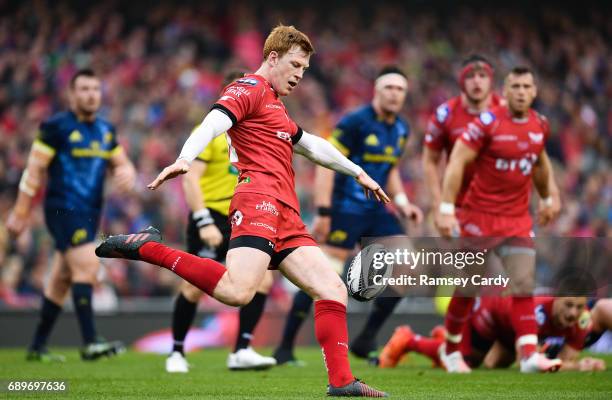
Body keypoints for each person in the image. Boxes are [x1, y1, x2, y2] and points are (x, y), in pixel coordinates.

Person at [96, 25, 389, 397]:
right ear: (272, 58)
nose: (300, 74)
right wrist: (185, 158)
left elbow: (312, 145)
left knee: (332, 288)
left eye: (305, 68)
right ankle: (146, 247)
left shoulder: (277, 107)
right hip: (258, 200)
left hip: (287, 212)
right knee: (238, 292)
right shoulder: (248, 89)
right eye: (296, 64)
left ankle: (342, 382)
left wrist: (359, 172)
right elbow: (214, 120)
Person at [273, 66, 423, 364]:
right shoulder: (355, 122)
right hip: (343, 209)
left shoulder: (402, 128)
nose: (394, 94)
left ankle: (366, 339)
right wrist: (324, 212)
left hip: (376, 211)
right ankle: (285, 347)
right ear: (376, 91)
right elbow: (324, 163)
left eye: (400, 89)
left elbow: (389, 168)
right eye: (389, 88)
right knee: (320, 276)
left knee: (409, 267)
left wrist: (403, 202)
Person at [435, 66, 562, 373]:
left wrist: (548, 197)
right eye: (515, 86)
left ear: (534, 92)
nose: (520, 91)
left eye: (526, 86)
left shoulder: (540, 125)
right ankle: (452, 351)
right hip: (480, 217)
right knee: (469, 286)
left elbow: (540, 164)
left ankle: (529, 355)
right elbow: (457, 159)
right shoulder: (488, 122)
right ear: (504, 92)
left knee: (522, 283)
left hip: (517, 218)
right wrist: (446, 207)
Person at [6, 69, 135, 361]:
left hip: (90, 213)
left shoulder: (105, 130)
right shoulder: (56, 127)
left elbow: (122, 163)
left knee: (62, 279)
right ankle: (90, 342)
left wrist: (127, 172)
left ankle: (37, 347)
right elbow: (35, 169)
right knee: (88, 266)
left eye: (95, 89)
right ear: (72, 94)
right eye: (84, 89)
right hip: (62, 209)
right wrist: (20, 211)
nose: (91, 94)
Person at [166, 71, 276, 373]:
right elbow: (190, 181)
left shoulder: (254, 135)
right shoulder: (209, 132)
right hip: (211, 216)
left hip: (244, 217)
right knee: (193, 287)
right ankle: (176, 352)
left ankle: (241, 350)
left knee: (263, 280)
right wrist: (203, 221)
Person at [378, 295, 608, 372]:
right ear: (555, 299)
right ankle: (409, 339)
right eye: (568, 305)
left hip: (510, 334)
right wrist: (577, 366)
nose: (573, 313)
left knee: (491, 366)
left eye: (578, 307)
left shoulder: (582, 319)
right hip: (491, 311)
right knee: (466, 361)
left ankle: (447, 340)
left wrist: (581, 363)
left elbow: (565, 361)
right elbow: (526, 362)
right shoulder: (535, 313)